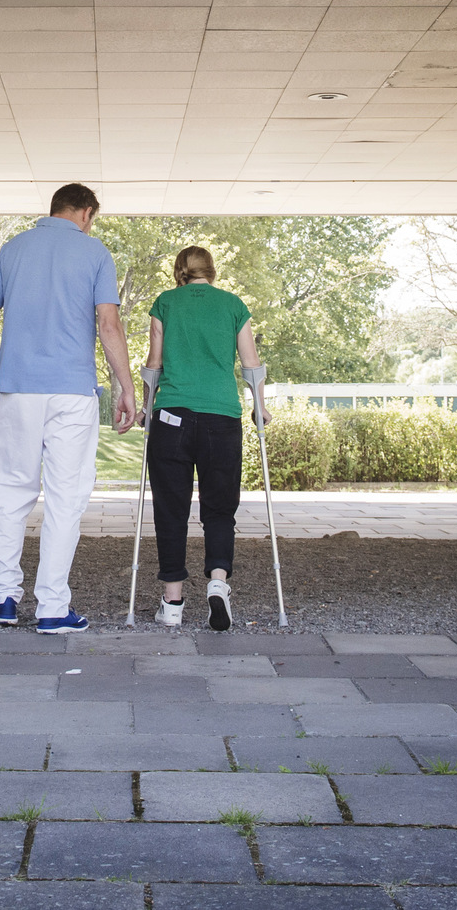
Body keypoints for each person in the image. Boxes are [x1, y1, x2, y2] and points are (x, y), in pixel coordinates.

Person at [0, 183, 135, 634]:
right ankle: (51, 609)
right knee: (65, 500)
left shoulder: (14, 248)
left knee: (12, 494)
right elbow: (108, 323)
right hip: (72, 393)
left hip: (19, 389)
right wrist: (126, 387)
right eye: (91, 218)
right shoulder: (95, 253)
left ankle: (4, 598)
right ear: (85, 213)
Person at [141, 245, 267, 631]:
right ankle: (217, 583)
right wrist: (259, 407)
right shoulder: (233, 305)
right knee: (219, 508)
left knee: (171, 509)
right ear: (211, 271)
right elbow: (251, 364)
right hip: (221, 418)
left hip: (172, 416)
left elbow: (154, 364)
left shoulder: (165, 303)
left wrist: (147, 405)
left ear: (179, 270)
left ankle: (173, 602)